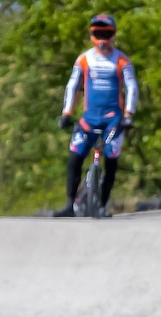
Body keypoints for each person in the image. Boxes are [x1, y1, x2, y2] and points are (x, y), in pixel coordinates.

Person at [54, 14, 138, 218]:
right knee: (74, 158)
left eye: (106, 33)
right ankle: (68, 204)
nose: (102, 38)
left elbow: (132, 86)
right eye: (98, 33)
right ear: (92, 34)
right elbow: (72, 85)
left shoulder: (122, 60)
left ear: (113, 35)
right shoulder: (84, 59)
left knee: (111, 159)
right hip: (88, 119)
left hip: (113, 120)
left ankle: (101, 204)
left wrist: (128, 115)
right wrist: (67, 113)